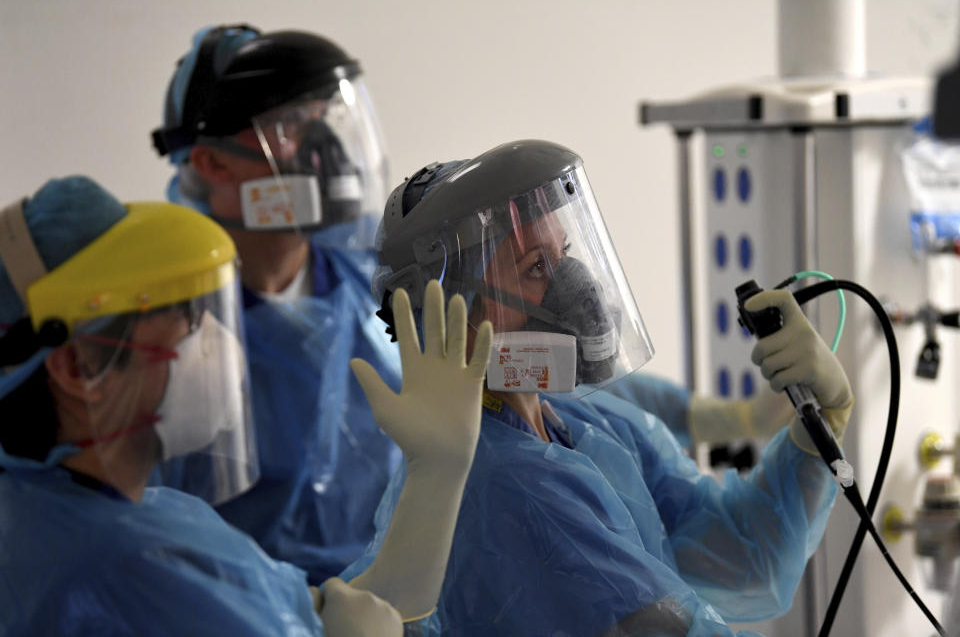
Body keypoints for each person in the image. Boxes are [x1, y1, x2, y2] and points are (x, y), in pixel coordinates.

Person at [346, 140, 855, 635]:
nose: (575, 283)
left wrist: (820, 422)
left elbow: (745, 556)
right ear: (451, 306)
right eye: (536, 267)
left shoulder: (581, 424)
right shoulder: (506, 482)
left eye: (562, 253)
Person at [0, 176, 491, 635]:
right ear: (79, 368)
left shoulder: (133, 516)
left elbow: (311, 615)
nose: (216, 342)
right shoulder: (121, 570)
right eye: (184, 317)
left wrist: (436, 474)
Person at [151, 24, 404, 583]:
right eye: (290, 126)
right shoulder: (162, 321)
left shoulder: (366, 281)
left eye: (321, 120)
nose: (326, 152)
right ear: (213, 164)